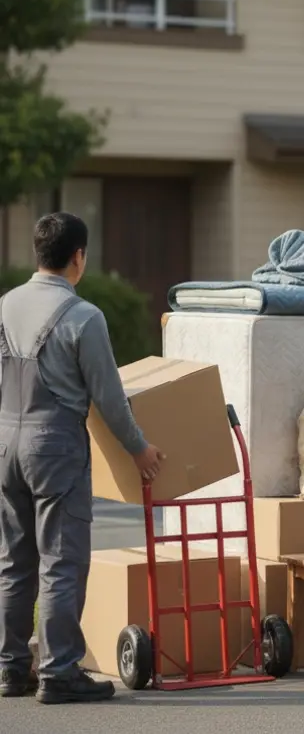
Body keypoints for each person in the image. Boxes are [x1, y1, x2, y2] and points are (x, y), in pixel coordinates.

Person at [0, 213, 164, 704]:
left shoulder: (5, 305)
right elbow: (109, 397)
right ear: (79, 257)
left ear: (37, 253)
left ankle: (10, 670)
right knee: (62, 563)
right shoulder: (83, 317)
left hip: (5, 443)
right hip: (55, 448)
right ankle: (59, 673)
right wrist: (139, 448)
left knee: (13, 562)